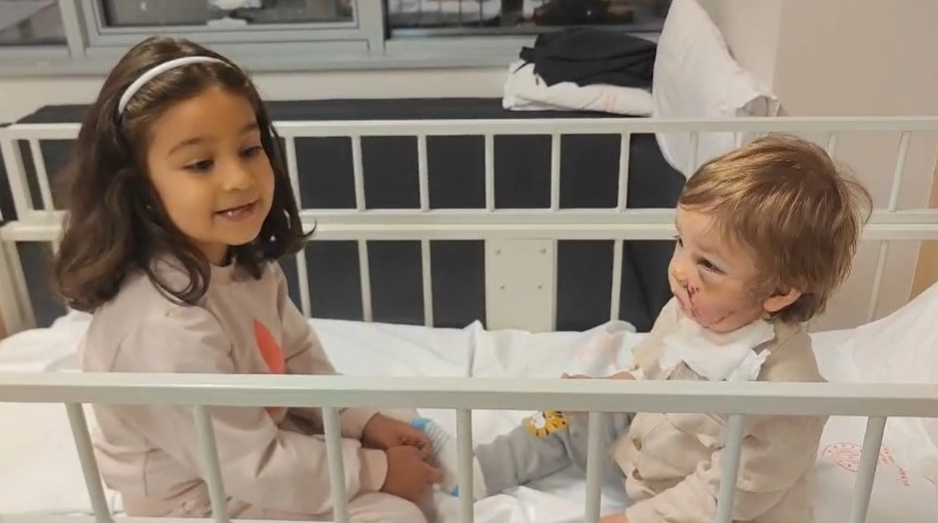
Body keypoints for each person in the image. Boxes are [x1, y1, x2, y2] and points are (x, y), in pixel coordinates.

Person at [53, 36, 440, 523]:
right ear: (139, 187)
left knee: (401, 425)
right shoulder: (161, 327)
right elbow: (248, 464)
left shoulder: (246, 267)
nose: (238, 178)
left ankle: (462, 471)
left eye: (249, 149)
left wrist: (361, 421)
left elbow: (299, 363)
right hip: (198, 500)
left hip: (257, 452)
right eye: (201, 164)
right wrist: (375, 471)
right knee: (394, 514)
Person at [414, 135, 872, 523]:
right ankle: (477, 469)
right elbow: (646, 376)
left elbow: (727, 494)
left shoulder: (787, 392)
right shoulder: (685, 312)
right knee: (562, 417)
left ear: (779, 291)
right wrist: (599, 391)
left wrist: (631, 519)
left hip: (698, 506)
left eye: (709, 265)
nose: (680, 271)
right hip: (640, 454)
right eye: (680, 243)